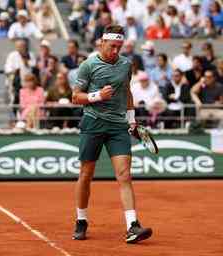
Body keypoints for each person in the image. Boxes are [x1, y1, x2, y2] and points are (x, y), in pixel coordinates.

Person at [72, 25, 152, 243]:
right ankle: (81, 220)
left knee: (124, 175)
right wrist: (97, 95)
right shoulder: (87, 65)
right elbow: (75, 97)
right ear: (102, 43)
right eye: (112, 46)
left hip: (118, 127)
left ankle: (132, 225)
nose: (116, 50)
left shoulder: (126, 64)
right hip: (93, 123)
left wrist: (132, 120)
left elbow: (127, 91)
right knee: (86, 174)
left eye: (119, 46)